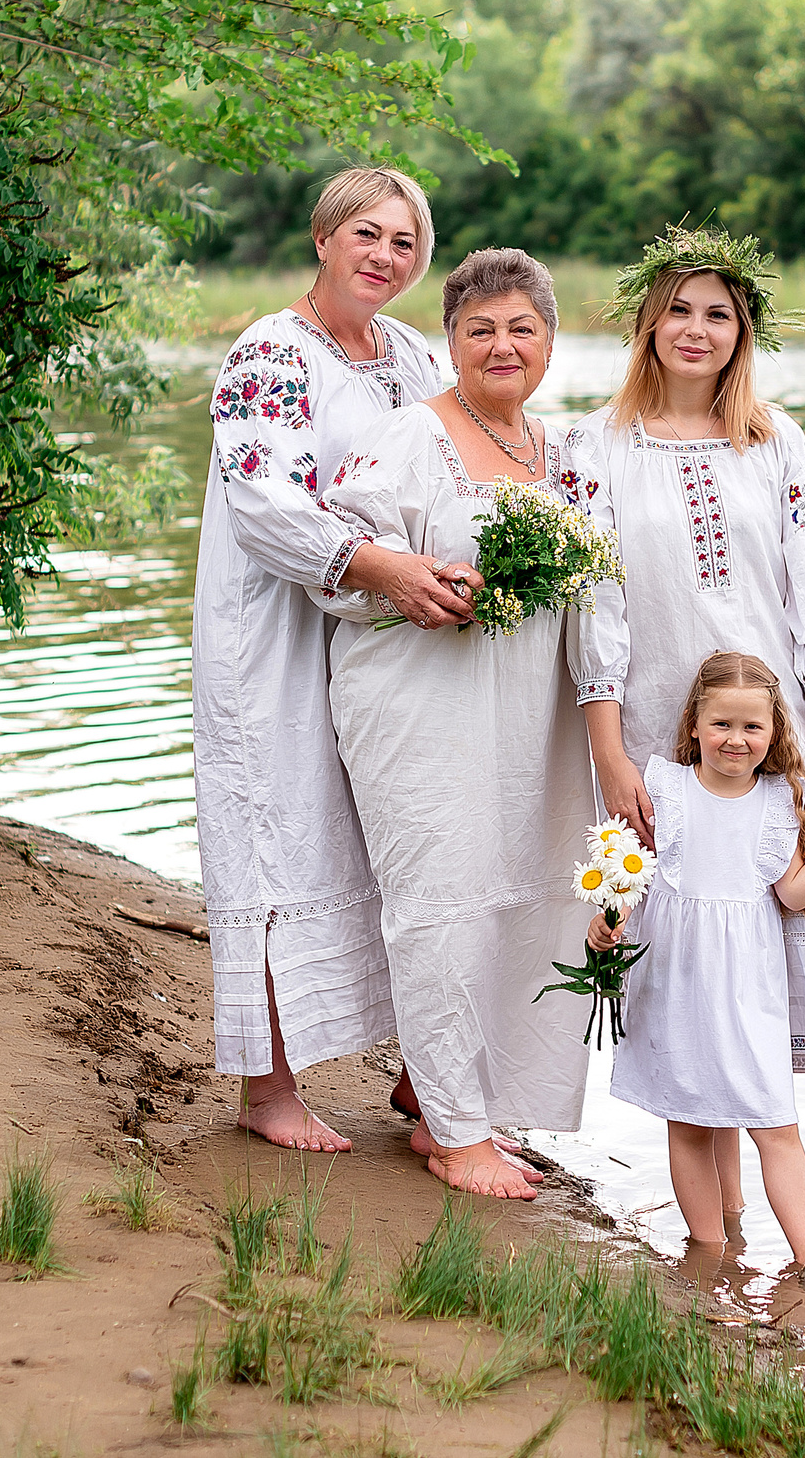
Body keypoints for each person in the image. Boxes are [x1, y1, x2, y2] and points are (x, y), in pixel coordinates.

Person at [565, 225, 805, 1234]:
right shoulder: (597, 445)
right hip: (661, 756)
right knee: (700, 983)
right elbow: (593, 600)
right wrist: (608, 750)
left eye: (718, 311)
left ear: (742, 329)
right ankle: (713, 1250)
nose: (696, 328)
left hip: (785, 744)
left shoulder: (775, 440)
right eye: (678, 307)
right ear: (646, 319)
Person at [190, 167, 486, 1153]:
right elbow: (263, 500)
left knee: (392, 831)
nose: (385, 256)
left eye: (405, 242)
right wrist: (381, 567)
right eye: (367, 233)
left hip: (381, 629)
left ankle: (417, 1075)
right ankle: (267, 1090)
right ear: (322, 237)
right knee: (277, 832)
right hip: (275, 629)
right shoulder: (269, 352)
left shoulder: (408, 354)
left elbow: (452, 461)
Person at [319, 248, 597, 1199]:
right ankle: (452, 1129)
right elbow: (345, 554)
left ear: (551, 342)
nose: (502, 344)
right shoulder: (410, 438)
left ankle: (453, 1095)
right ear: (451, 344)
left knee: (519, 893)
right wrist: (415, 580)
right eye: (479, 329)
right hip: (418, 704)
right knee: (441, 896)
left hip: (524, 716)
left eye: (522, 327)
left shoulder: (562, 453)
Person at [593, 651, 805, 1272]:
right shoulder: (665, 788)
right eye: (722, 724)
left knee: (775, 1120)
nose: (736, 739)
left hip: (747, 990)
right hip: (672, 982)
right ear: (695, 725)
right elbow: (630, 878)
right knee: (690, 1123)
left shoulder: (779, 802)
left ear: (774, 732)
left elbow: (795, 894)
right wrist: (607, 924)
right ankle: (709, 1250)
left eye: (752, 727)